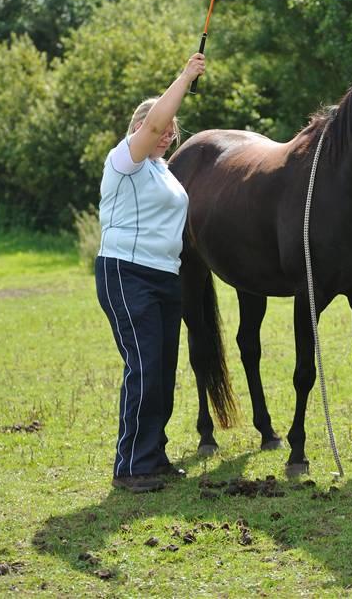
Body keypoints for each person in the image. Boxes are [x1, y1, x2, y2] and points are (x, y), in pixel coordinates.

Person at [95, 52, 206, 492]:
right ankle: (129, 467)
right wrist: (185, 76)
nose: (168, 135)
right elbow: (156, 124)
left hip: (164, 276)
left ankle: (153, 455)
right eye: (162, 127)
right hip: (126, 272)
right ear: (141, 128)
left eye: (173, 131)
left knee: (161, 369)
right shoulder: (125, 160)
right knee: (143, 365)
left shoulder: (163, 171)